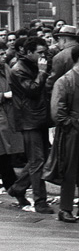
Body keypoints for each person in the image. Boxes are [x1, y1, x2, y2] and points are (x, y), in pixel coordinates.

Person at [50, 45, 79, 223]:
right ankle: (65, 209)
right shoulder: (64, 81)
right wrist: (71, 124)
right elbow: (57, 112)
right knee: (69, 170)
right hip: (71, 132)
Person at [7, 37, 52, 213]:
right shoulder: (18, 70)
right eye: (39, 53)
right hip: (29, 120)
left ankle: (18, 188)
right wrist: (42, 72)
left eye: (44, 52)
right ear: (28, 52)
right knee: (37, 161)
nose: (43, 56)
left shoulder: (32, 66)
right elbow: (32, 90)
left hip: (39, 117)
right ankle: (40, 201)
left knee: (41, 159)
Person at [0, 41, 21, 193]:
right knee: (3, 155)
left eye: (4, 53)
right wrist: (3, 95)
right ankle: (13, 188)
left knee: (6, 154)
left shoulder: (6, 68)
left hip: (8, 115)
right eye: (0, 54)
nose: (4, 56)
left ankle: (13, 187)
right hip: (3, 115)